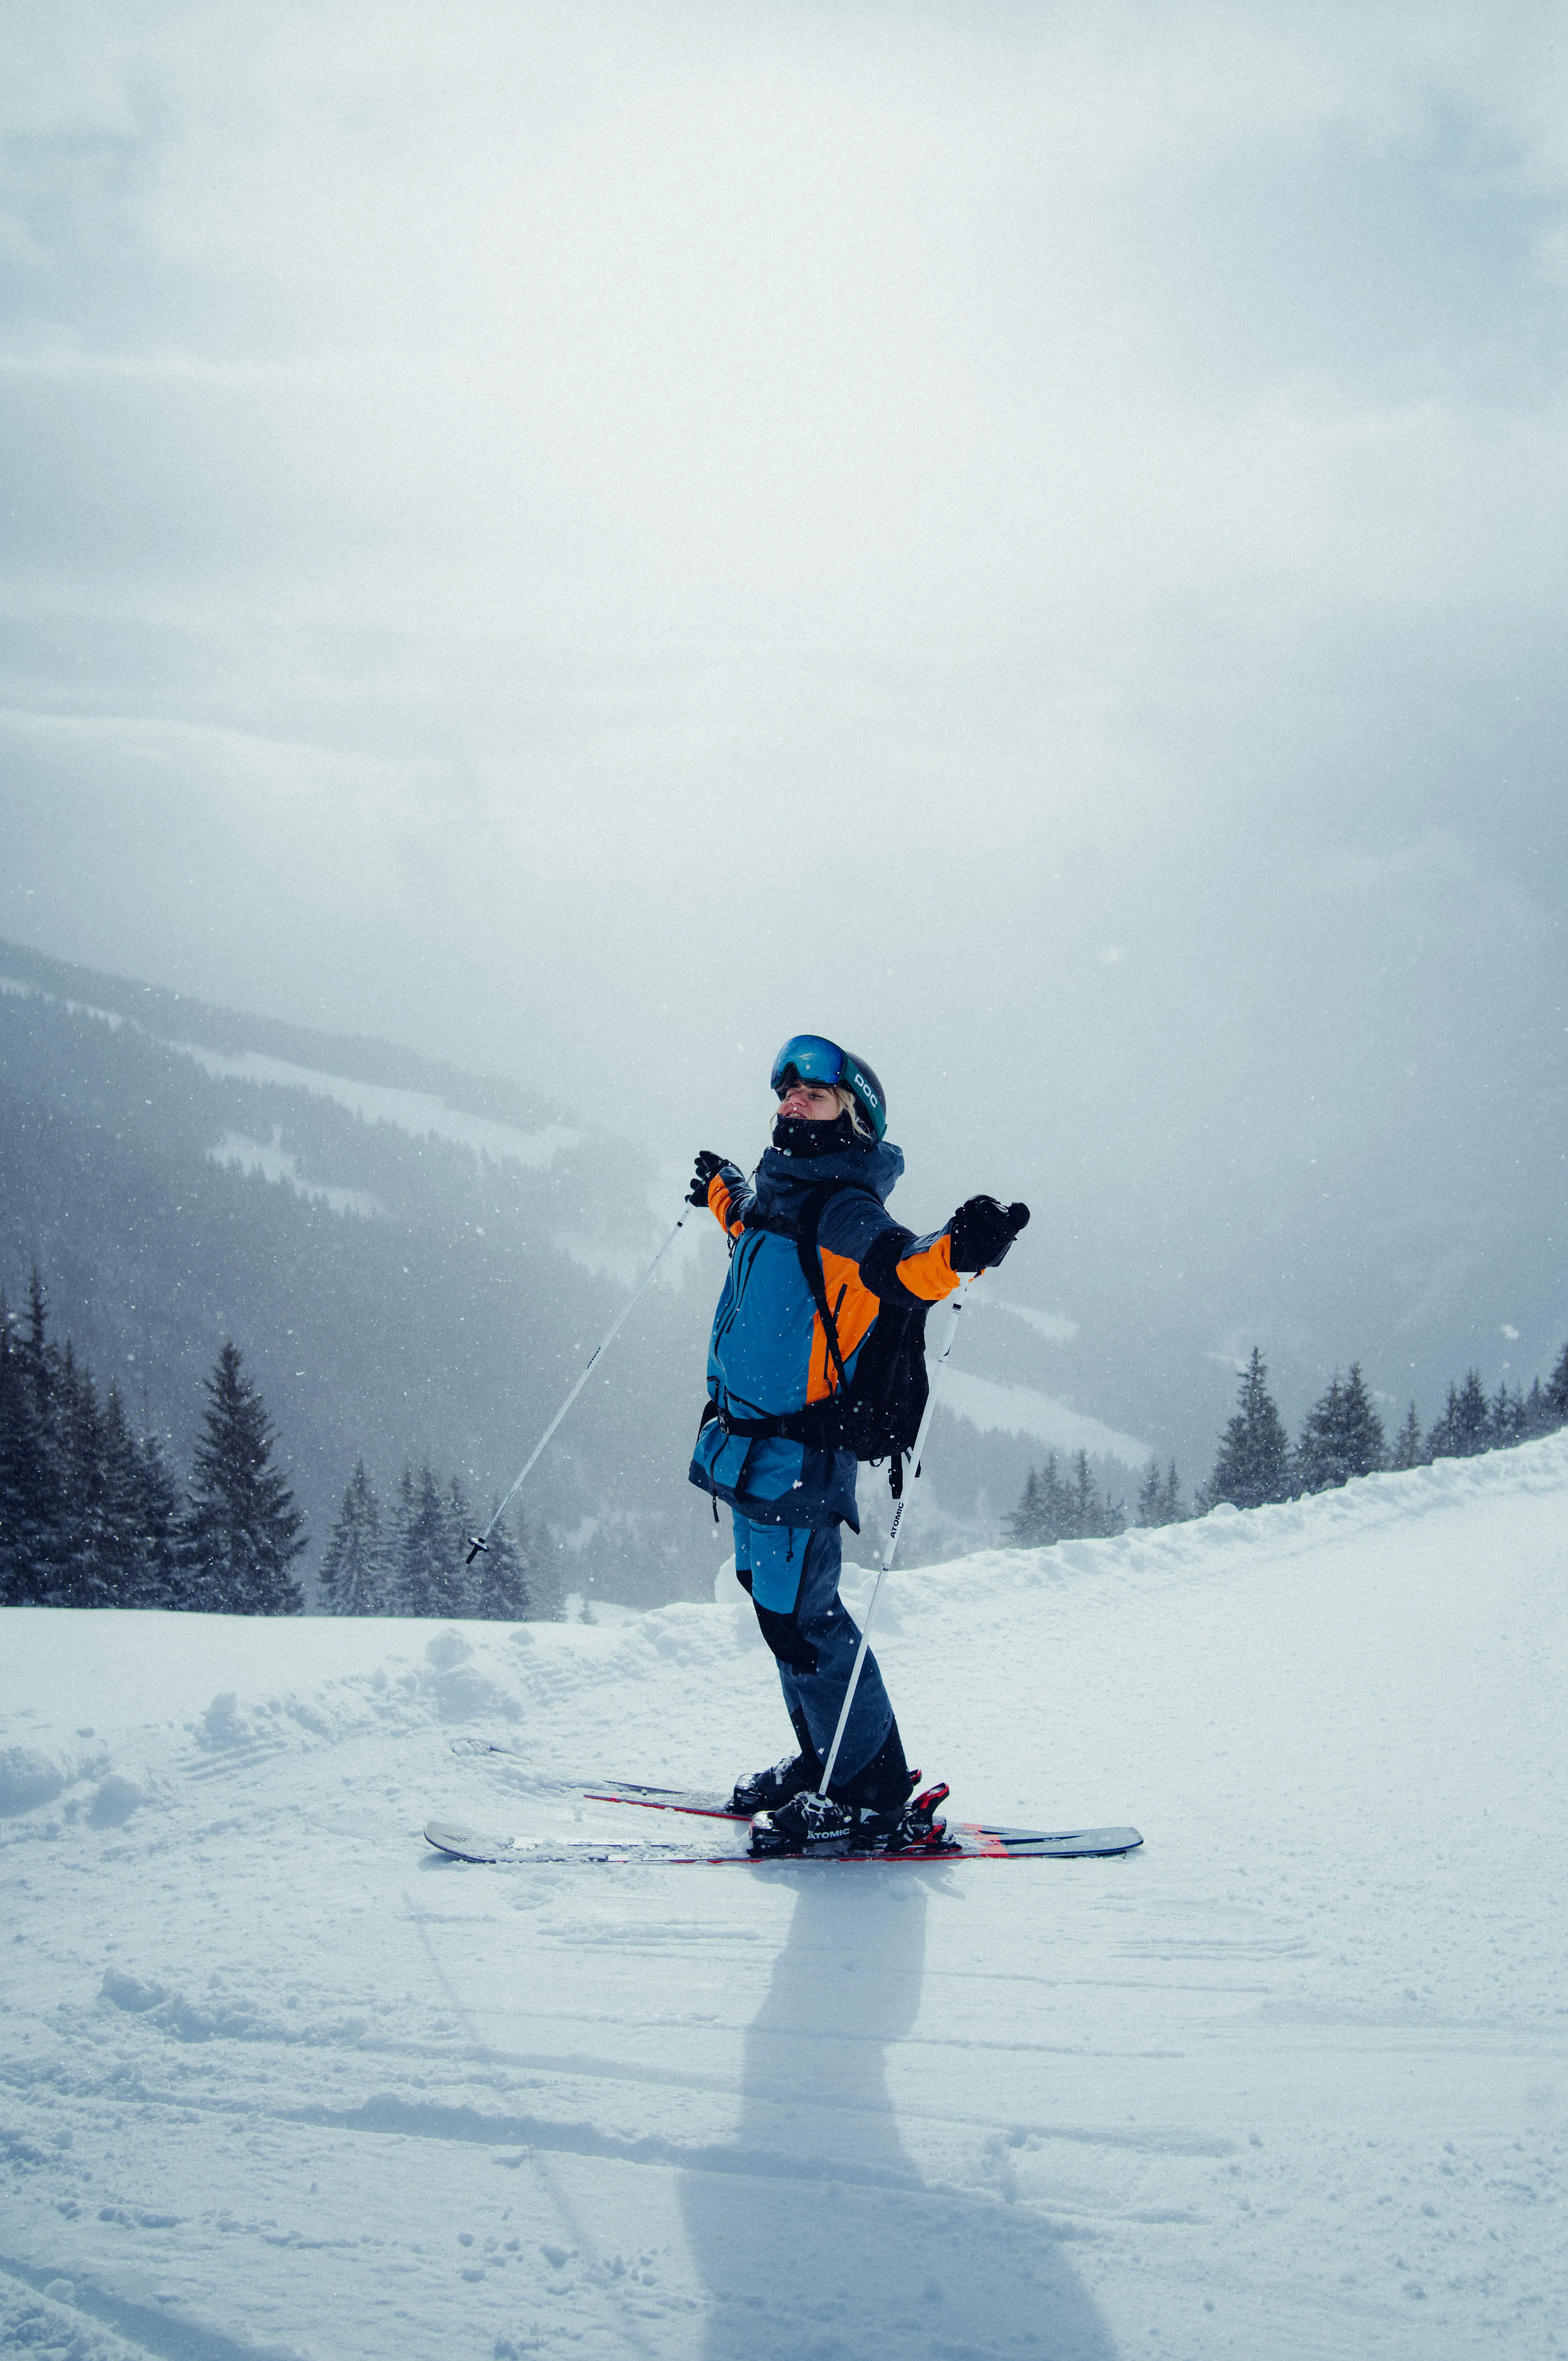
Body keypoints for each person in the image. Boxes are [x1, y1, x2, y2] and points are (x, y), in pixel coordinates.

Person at [687, 1033, 1028, 1851]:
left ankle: (871, 1792)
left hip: (799, 1454)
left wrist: (963, 1254)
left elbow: (906, 1271)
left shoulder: (842, 1208)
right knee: (780, 1616)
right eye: (786, 1090)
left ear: (854, 1117)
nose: (791, 1101)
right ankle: (826, 1758)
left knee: (807, 1622)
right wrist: (719, 1190)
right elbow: (748, 1219)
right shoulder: (776, 1196)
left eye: (815, 1092)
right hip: (744, 1450)